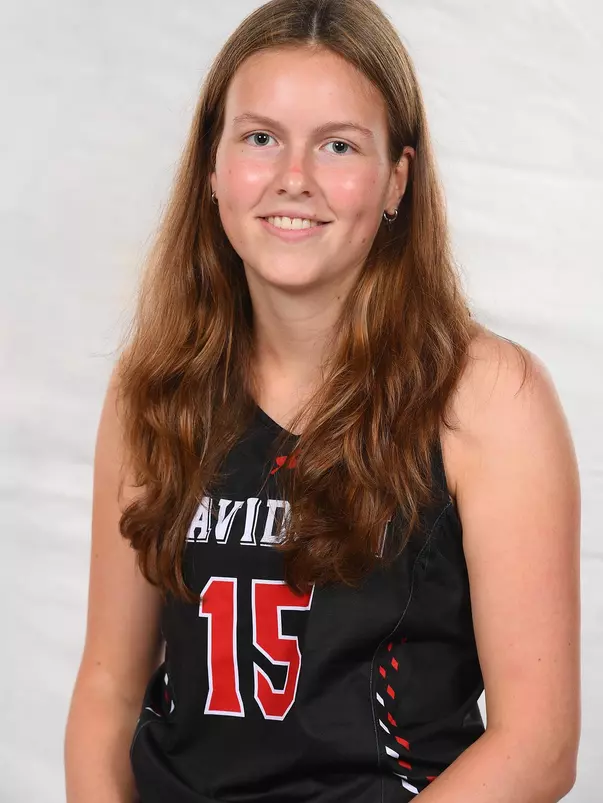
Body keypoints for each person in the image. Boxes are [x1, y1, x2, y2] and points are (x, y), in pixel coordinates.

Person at [64, 1, 581, 801]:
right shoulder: (153, 388)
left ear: (396, 180)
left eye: (337, 144)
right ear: (211, 165)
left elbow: (538, 745)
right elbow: (106, 692)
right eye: (260, 137)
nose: (292, 177)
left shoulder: (488, 398)